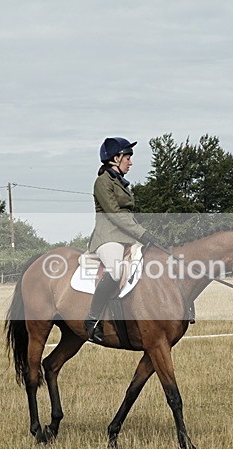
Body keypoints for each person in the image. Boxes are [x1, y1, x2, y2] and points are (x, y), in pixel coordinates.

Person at [84, 137, 158, 342]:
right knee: (116, 271)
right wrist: (142, 233)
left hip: (126, 236)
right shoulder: (102, 182)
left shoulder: (119, 182)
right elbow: (115, 214)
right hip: (108, 237)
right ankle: (92, 319)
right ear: (115, 158)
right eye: (128, 157)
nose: (130, 162)